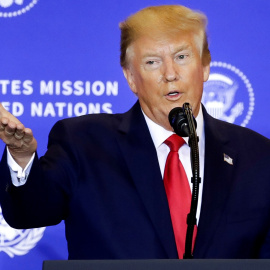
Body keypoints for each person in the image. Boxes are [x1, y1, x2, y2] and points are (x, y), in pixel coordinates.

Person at [1, 4, 270, 259]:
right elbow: (30, 213)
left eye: (182, 57)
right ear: (131, 77)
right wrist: (22, 157)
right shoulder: (84, 143)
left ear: (205, 66)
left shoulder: (257, 156)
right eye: (152, 62)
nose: (170, 74)